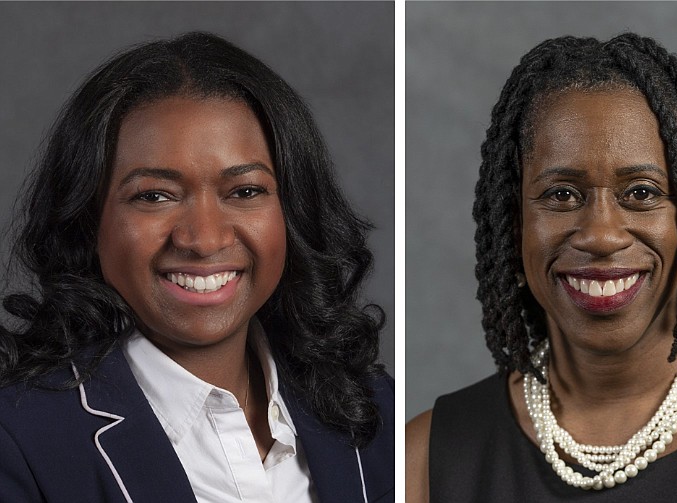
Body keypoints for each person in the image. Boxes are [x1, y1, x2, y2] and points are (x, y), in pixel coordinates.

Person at [0, 32, 393, 503]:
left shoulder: (373, 407)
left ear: (292, 212)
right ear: (88, 221)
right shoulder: (20, 441)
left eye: (245, 191)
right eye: (154, 196)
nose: (205, 240)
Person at [406, 33, 677, 502]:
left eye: (641, 192)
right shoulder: (426, 458)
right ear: (515, 224)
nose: (600, 235)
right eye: (562, 195)